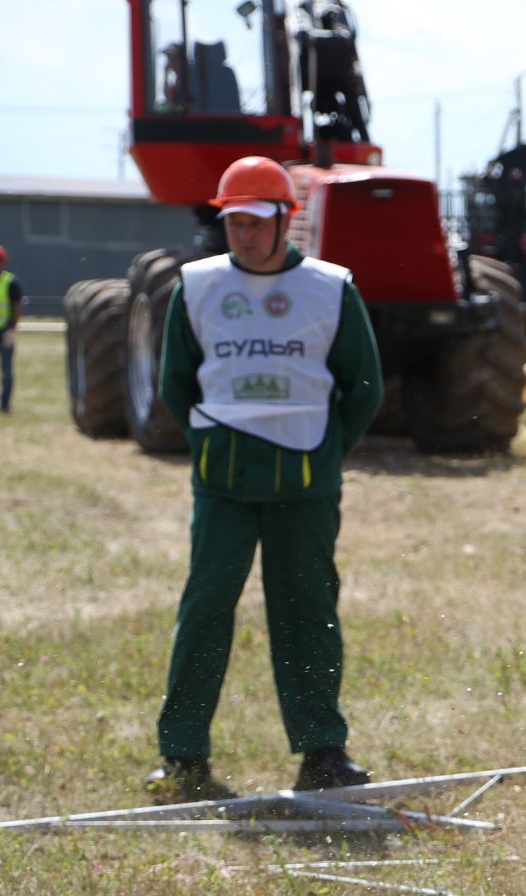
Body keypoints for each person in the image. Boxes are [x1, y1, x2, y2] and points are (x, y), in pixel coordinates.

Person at [148, 156, 383, 798]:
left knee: (309, 610)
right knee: (205, 608)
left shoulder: (332, 287)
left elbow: (363, 386)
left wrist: (327, 452)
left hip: (306, 482)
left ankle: (323, 750)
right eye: (235, 222)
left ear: (286, 219)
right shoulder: (195, 286)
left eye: (255, 221)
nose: (244, 234)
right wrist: (212, 442)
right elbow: (176, 383)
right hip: (222, 480)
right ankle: (184, 753)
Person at [0, 244, 22, 413]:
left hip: (4, 331)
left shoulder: (11, 282)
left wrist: (12, 330)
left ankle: (4, 405)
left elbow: (16, 308)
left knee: (6, 370)